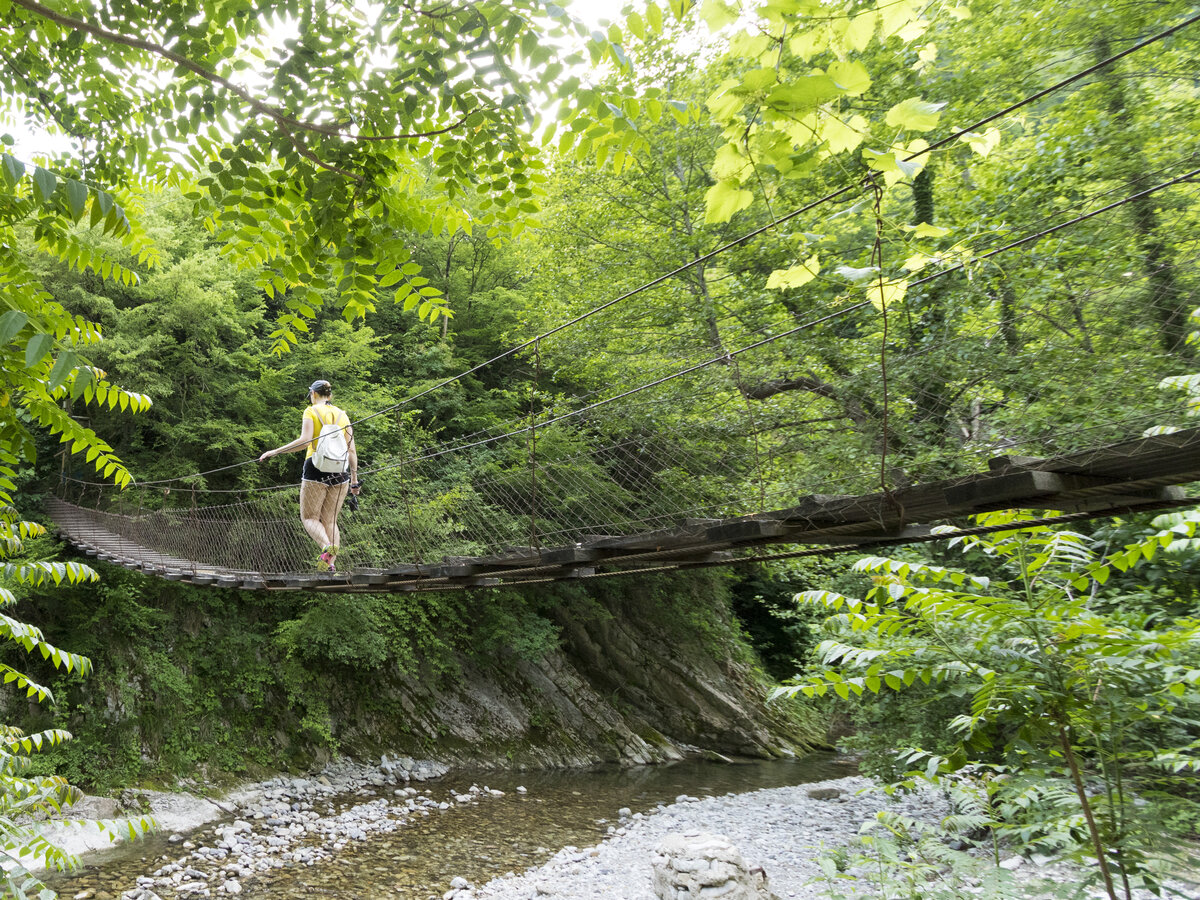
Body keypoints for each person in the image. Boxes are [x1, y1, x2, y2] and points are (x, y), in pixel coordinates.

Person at [259, 380, 360, 572]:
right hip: (341, 471)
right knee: (330, 520)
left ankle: (325, 547)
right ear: (329, 396)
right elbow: (352, 451)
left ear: (313, 394)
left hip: (316, 467)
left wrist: (276, 451)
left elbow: (305, 442)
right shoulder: (342, 415)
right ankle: (331, 563)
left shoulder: (311, 411)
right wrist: (354, 480)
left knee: (309, 518)